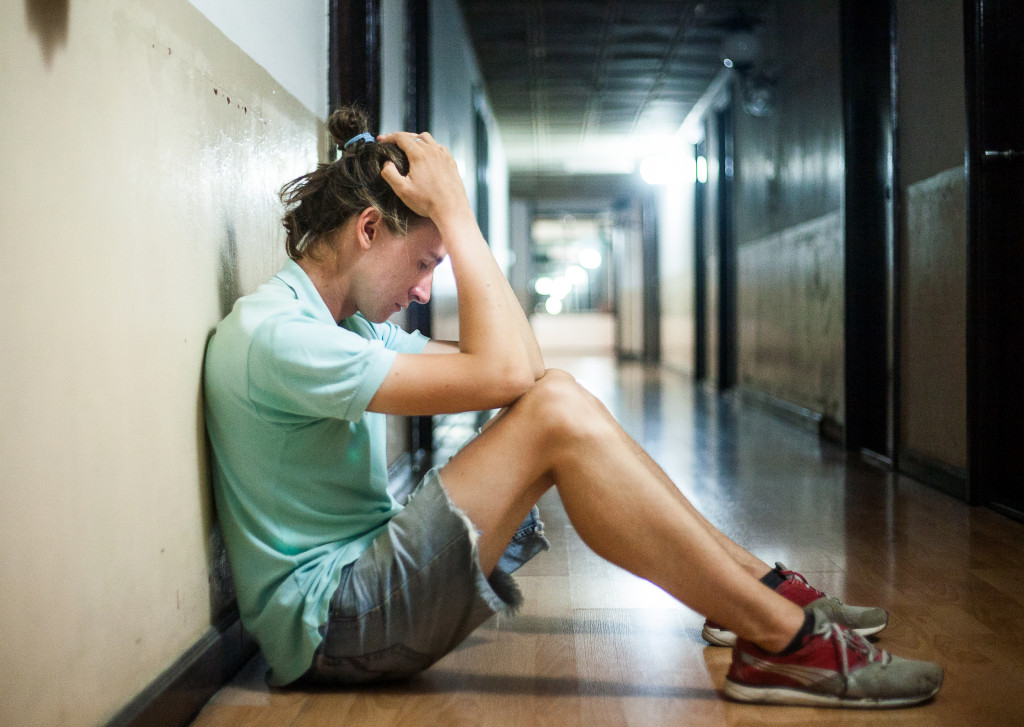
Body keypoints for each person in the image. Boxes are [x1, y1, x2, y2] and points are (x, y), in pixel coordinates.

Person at [203, 106, 943, 708]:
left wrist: (455, 228)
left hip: (363, 590)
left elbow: (519, 372)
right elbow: (513, 371)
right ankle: (781, 640)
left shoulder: (340, 328)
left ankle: (754, 595)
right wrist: (458, 217)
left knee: (552, 398)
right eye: (426, 263)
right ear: (369, 229)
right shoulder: (281, 339)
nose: (425, 290)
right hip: (336, 627)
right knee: (554, 407)